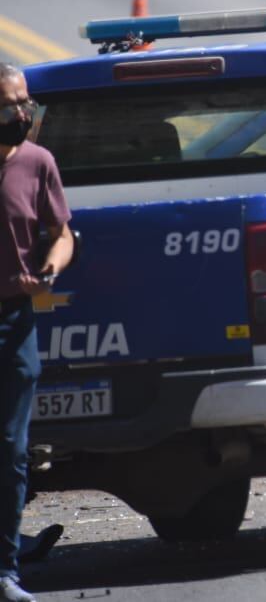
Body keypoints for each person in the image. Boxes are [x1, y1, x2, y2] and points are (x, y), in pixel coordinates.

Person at [0, 64, 72, 602]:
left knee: (11, 449)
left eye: (24, 101)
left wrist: (48, 270)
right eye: (9, 104)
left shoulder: (37, 163)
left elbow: (62, 234)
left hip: (14, 322)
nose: (21, 113)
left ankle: (6, 570)